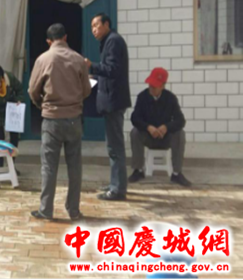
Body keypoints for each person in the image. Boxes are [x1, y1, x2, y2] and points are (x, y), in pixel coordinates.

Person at [29, 24, 91, 221]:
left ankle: (46, 210)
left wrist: (42, 105)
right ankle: (73, 210)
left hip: (51, 120)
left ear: (49, 41)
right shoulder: (78, 59)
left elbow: (32, 90)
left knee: (49, 166)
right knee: (75, 166)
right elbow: (87, 90)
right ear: (65, 37)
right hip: (74, 119)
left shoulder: (43, 59)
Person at [85, 13, 131, 202]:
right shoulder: (108, 41)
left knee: (115, 147)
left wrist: (92, 66)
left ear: (106, 24)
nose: (94, 30)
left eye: (96, 25)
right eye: (92, 27)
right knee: (112, 146)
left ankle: (118, 189)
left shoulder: (113, 41)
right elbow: (109, 71)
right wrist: (94, 77)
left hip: (114, 101)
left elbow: (113, 70)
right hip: (110, 101)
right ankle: (115, 182)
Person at [130, 68, 192, 187]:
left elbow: (180, 120)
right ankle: (138, 170)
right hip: (148, 137)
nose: (151, 88)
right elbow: (135, 118)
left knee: (180, 134)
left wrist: (166, 127)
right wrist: (148, 127)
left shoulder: (170, 98)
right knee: (135, 132)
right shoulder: (142, 97)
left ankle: (177, 173)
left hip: (165, 138)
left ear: (163, 86)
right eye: (150, 85)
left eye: (155, 86)